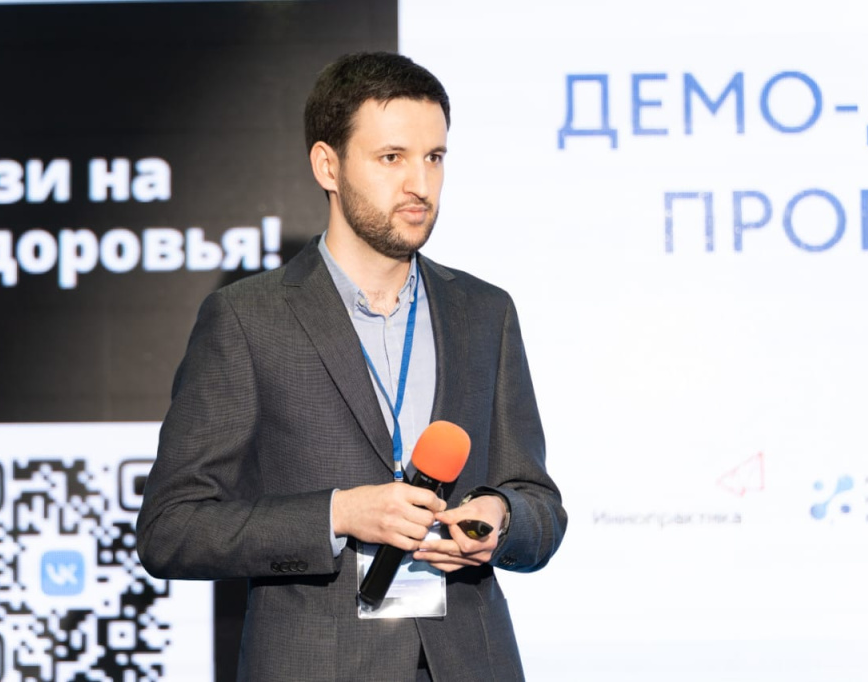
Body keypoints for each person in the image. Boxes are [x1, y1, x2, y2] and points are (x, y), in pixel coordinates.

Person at [136, 51, 566, 682]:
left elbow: (539, 505)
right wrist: (338, 514)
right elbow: (171, 530)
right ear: (327, 165)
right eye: (392, 158)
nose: (420, 184)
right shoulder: (248, 319)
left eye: (434, 157)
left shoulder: (484, 311)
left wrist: (500, 519)